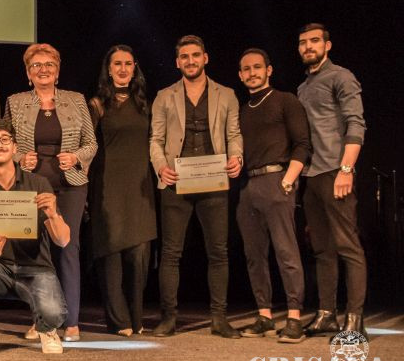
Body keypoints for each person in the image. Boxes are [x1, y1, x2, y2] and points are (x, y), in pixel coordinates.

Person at [149, 35, 243, 338]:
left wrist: (237, 157)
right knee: (171, 253)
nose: (190, 61)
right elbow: (156, 140)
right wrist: (161, 167)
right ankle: (168, 318)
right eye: (185, 57)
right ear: (178, 62)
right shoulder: (164, 96)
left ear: (205, 58)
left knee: (218, 252)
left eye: (195, 55)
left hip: (213, 180)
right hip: (176, 181)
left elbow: (234, 134)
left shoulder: (226, 94)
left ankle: (219, 318)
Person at [4, 43, 96, 342]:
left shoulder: (76, 100)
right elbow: (6, 142)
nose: (43, 70)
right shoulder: (16, 102)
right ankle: (42, 319)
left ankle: (71, 322)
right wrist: (20, 158)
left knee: (68, 248)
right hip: (32, 184)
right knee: (36, 253)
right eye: (36, 65)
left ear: (57, 71)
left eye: (49, 65)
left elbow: (91, 143)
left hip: (70, 184)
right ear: (28, 73)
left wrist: (77, 157)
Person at [0, 119, 69, 356]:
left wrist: (53, 214)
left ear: (14, 148)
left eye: (4, 140)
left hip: (36, 268)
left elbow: (63, 240)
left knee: (54, 313)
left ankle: (46, 328)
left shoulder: (38, 183)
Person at [234, 48, 311, 343]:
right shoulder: (242, 110)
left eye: (257, 67)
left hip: (277, 180)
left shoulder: (285, 100)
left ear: (269, 70)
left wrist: (288, 180)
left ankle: (294, 318)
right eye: (246, 69)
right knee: (254, 255)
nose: (252, 73)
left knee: (286, 252)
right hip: (248, 186)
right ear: (240, 75)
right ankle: (264, 316)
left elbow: (302, 144)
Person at [296, 23, 367, 336]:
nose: (308, 46)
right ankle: (327, 314)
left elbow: (356, 124)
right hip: (312, 176)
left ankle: (355, 319)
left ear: (327, 45)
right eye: (303, 42)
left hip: (336, 173)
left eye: (314, 41)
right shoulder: (303, 87)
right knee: (322, 249)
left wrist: (346, 170)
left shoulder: (341, 76)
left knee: (348, 246)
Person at [87, 45, 156, 337]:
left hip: (139, 189)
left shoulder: (145, 104)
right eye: (117, 63)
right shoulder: (97, 105)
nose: (123, 69)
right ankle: (118, 320)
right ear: (109, 68)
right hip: (108, 187)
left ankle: (136, 318)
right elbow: (87, 147)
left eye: (128, 63)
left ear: (135, 67)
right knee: (111, 254)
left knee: (139, 256)